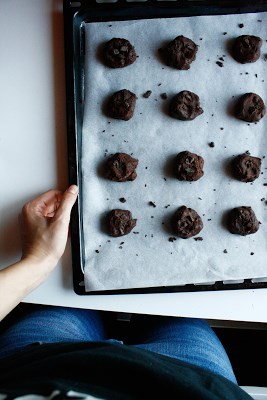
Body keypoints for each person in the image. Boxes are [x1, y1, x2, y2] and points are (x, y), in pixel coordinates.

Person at [0, 185, 252, 399]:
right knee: (172, 306)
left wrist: (38, 260)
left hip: (39, 363)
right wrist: (38, 259)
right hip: (192, 380)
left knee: (70, 297)